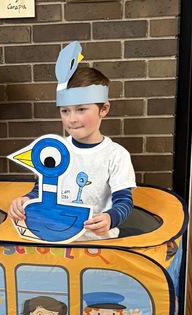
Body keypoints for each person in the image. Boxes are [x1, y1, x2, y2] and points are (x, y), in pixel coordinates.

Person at [8, 59, 136, 242]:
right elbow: (42, 190)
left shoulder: (116, 155)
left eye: (81, 109)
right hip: (54, 240)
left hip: (99, 244)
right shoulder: (55, 150)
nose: (72, 119)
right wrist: (25, 200)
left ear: (104, 109)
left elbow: (124, 201)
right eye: (65, 111)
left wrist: (110, 218)